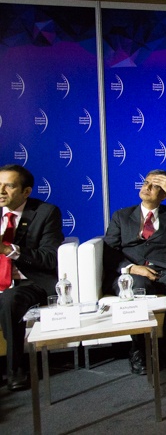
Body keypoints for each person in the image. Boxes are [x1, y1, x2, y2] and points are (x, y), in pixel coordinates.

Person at [103, 169, 166, 374]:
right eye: (146, 182)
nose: (147, 187)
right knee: (138, 284)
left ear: (163, 194)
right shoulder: (121, 216)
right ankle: (139, 349)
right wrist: (132, 268)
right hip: (129, 274)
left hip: (160, 271)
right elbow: (109, 253)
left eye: (155, 186)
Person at [0, 164, 64, 391]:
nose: (1, 191)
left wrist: (8, 250)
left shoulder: (46, 212)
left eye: (8, 186)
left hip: (29, 282)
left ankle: (15, 370)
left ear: (26, 191)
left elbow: (49, 258)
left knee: (9, 300)